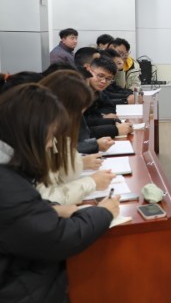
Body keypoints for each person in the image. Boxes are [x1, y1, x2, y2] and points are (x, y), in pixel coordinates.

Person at [0, 83, 119, 303]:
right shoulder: (6, 181)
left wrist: (50, 208)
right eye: (50, 135)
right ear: (31, 130)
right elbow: (57, 237)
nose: (52, 144)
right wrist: (103, 212)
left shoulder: (10, 167)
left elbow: (25, 213)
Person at [38, 70, 116, 205]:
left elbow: (63, 174)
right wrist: (91, 182)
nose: (77, 120)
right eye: (77, 113)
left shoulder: (56, 131)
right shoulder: (41, 137)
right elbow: (46, 200)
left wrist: (81, 162)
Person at [83, 56, 132, 139]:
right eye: (100, 76)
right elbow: (79, 130)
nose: (103, 81)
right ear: (88, 69)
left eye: (108, 79)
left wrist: (109, 120)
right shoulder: (76, 90)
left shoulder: (96, 90)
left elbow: (109, 106)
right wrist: (115, 129)